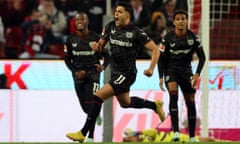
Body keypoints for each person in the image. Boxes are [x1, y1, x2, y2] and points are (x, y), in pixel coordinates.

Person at [65, 2, 164, 142]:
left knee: (98, 96)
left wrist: (151, 68)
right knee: (125, 103)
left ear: (128, 14)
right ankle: (155, 105)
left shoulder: (136, 32)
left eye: (120, 11)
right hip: (116, 73)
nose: (116, 14)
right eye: (115, 11)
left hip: (128, 73)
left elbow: (155, 49)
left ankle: (83, 133)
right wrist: (97, 47)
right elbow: (101, 45)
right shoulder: (110, 26)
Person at [158, 10, 206, 142]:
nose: (181, 21)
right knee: (173, 94)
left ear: (187, 21)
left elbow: (202, 57)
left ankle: (192, 136)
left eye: (183, 19)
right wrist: (161, 77)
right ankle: (176, 132)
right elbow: (161, 59)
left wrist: (196, 74)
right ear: (174, 22)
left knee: (190, 101)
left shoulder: (193, 38)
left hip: (186, 72)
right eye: (178, 19)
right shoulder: (167, 38)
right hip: (171, 70)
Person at [64, 12, 110, 142]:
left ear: (87, 21)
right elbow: (67, 60)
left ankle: (90, 137)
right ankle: (96, 114)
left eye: (82, 19)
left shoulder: (96, 38)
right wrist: (75, 71)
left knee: (92, 104)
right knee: (86, 109)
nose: (79, 21)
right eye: (77, 19)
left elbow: (107, 56)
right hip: (79, 77)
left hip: (93, 74)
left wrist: (103, 67)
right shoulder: (70, 40)